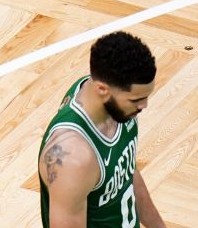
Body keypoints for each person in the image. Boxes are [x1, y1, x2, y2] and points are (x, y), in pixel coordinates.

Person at [38, 31, 166, 228]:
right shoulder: (74, 159)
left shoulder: (117, 108)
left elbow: (126, 171)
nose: (144, 106)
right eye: (136, 99)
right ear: (102, 90)